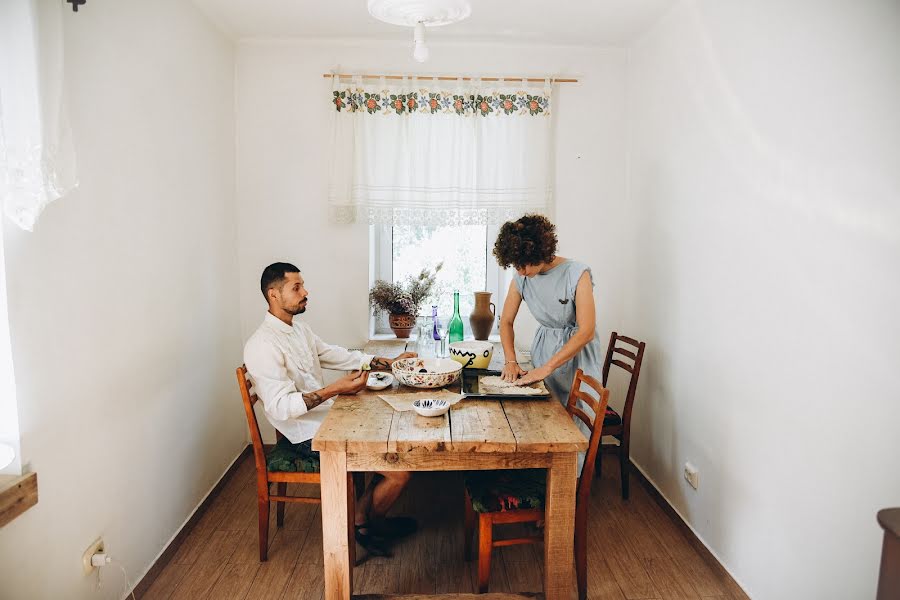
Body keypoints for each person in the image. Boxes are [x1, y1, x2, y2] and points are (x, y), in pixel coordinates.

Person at [243, 262, 416, 557]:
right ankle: (367, 523)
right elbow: (281, 407)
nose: (305, 292)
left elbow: (338, 355)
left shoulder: (299, 330)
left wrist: (390, 363)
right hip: (304, 435)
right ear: (273, 294)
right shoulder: (261, 346)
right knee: (400, 471)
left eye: (303, 285)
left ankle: (364, 518)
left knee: (387, 437)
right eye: (296, 288)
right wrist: (336, 389)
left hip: (328, 417)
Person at [493, 215, 604, 467]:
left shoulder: (577, 273)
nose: (520, 272)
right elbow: (506, 322)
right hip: (545, 348)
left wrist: (547, 367)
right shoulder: (521, 276)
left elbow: (586, 330)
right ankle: (538, 482)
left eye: (524, 265)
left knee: (573, 429)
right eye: (516, 266)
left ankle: (567, 490)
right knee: (542, 419)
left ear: (541, 250)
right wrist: (510, 361)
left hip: (578, 357)